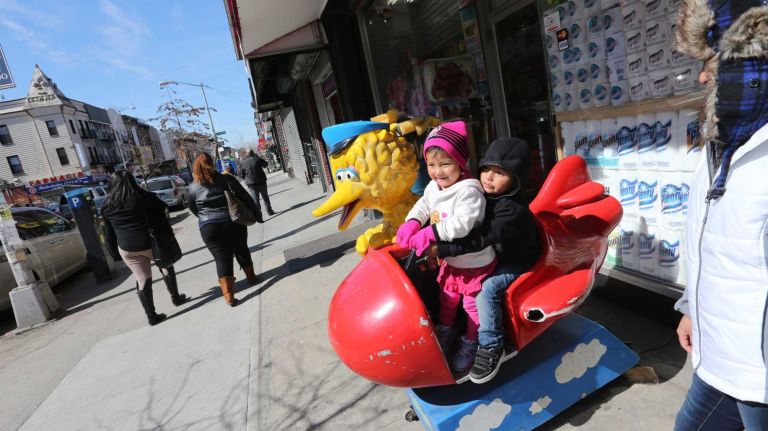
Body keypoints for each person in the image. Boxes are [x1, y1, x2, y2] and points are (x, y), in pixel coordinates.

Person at [673, 1, 768, 429]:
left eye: (714, 62)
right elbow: (706, 239)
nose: (703, 76)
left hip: (759, 380)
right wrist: (691, 306)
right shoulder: (718, 147)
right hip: (720, 357)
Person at [429, 137, 541, 384]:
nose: (489, 177)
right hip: (488, 256)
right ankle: (451, 329)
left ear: (515, 179)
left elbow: (482, 238)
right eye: (487, 169)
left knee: (485, 289)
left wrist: (443, 249)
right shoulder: (477, 192)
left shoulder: (512, 210)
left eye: (500, 173)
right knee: (448, 282)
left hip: (514, 260)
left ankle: (491, 345)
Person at [396, 121, 497, 372]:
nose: (438, 172)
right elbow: (424, 205)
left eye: (445, 164)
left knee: (471, 306)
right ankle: (446, 331)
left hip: (475, 263)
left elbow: (462, 224)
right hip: (452, 262)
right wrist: (412, 222)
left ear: (460, 163)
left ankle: (471, 343)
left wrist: (431, 232)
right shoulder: (434, 186)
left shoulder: (469, 191)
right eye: (431, 165)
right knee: (447, 298)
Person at [102, 171, 188, 326]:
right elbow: (162, 208)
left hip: (126, 247)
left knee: (142, 278)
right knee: (166, 266)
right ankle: (176, 298)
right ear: (133, 182)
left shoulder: (107, 205)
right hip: (150, 243)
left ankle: (151, 316)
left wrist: (114, 253)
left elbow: (109, 233)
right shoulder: (142, 198)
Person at [188, 153, 262, 307]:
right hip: (233, 221)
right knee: (241, 248)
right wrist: (256, 212)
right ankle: (251, 278)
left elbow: (193, 208)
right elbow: (245, 197)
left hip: (208, 227)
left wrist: (204, 216)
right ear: (213, 164)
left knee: (222, 259)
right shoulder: (227, 179)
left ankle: (229, 296)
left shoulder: (193, 187)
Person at [240, 149, 275, 215]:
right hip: (261, 182)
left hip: (251, 185)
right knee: (265, 198)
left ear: (246, 154)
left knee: (256, 201)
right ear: (253, 153)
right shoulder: (257, 159)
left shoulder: (243, 163)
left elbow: (241, 174)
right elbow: (265, 165)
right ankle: (269, 211)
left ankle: (259, 215)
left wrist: (245, 178)